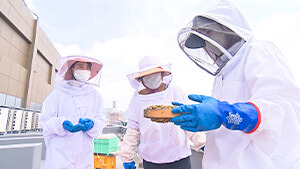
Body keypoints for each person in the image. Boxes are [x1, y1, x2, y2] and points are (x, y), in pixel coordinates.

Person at [171, 0, 300, 168]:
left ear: (227, 28)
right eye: (203, 40)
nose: (207, 45)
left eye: (209, 33)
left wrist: (225, 113)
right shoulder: (222, 75)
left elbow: (281, 110)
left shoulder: (258, 51)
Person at [119, 55, 206, 169]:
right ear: (141, 79)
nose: (152, 77)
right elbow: (132, 130)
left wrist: (201, 142)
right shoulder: (137, 100)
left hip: (179, 158)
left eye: (154, 74)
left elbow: (188, 118)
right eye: (147, 75)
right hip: (151, 160)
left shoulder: (175, 91)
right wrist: (127, 157)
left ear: (162, 74)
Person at [40, 55, 106, 169]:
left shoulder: (95, 95)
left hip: (84, 157)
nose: (84, 70)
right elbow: (45, 121)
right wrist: (61, 124)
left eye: (87, 68)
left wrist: (92, 124)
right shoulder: (57, 94)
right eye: (80, 66)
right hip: (59, 156)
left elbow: (100, 120)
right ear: (71, 69)